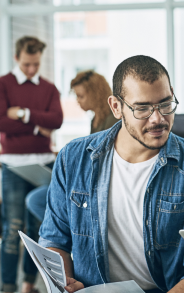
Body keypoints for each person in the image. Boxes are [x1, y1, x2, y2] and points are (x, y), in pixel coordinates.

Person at [38, 55, 184, 293]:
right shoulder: (74, 157)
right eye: (143, 108)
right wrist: (66, 286)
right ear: (116, 107)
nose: (158, 118)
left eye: (165, 104)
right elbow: (54, 239)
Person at [0, 36, 63, 293]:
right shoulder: (3, 84)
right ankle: (7, 289)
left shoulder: (49, 88)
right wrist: (39, 124)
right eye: (26, 64)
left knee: (39, 228)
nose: (30, 70)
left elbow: (57, 120)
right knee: (12, 226)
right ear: (16, 58)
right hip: (13, 165)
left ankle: (29, 286)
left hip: (43, 163)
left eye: (35, 64)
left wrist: (24, 115)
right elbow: (2, 121)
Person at [26, 70, 119, 222]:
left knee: (36, 200)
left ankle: (69, 230)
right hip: (87, 179)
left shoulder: (112, 120)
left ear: (95, 94)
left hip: (96, 183)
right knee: (38, 198)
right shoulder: (95, 119)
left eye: (80, 96)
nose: (77, 101)